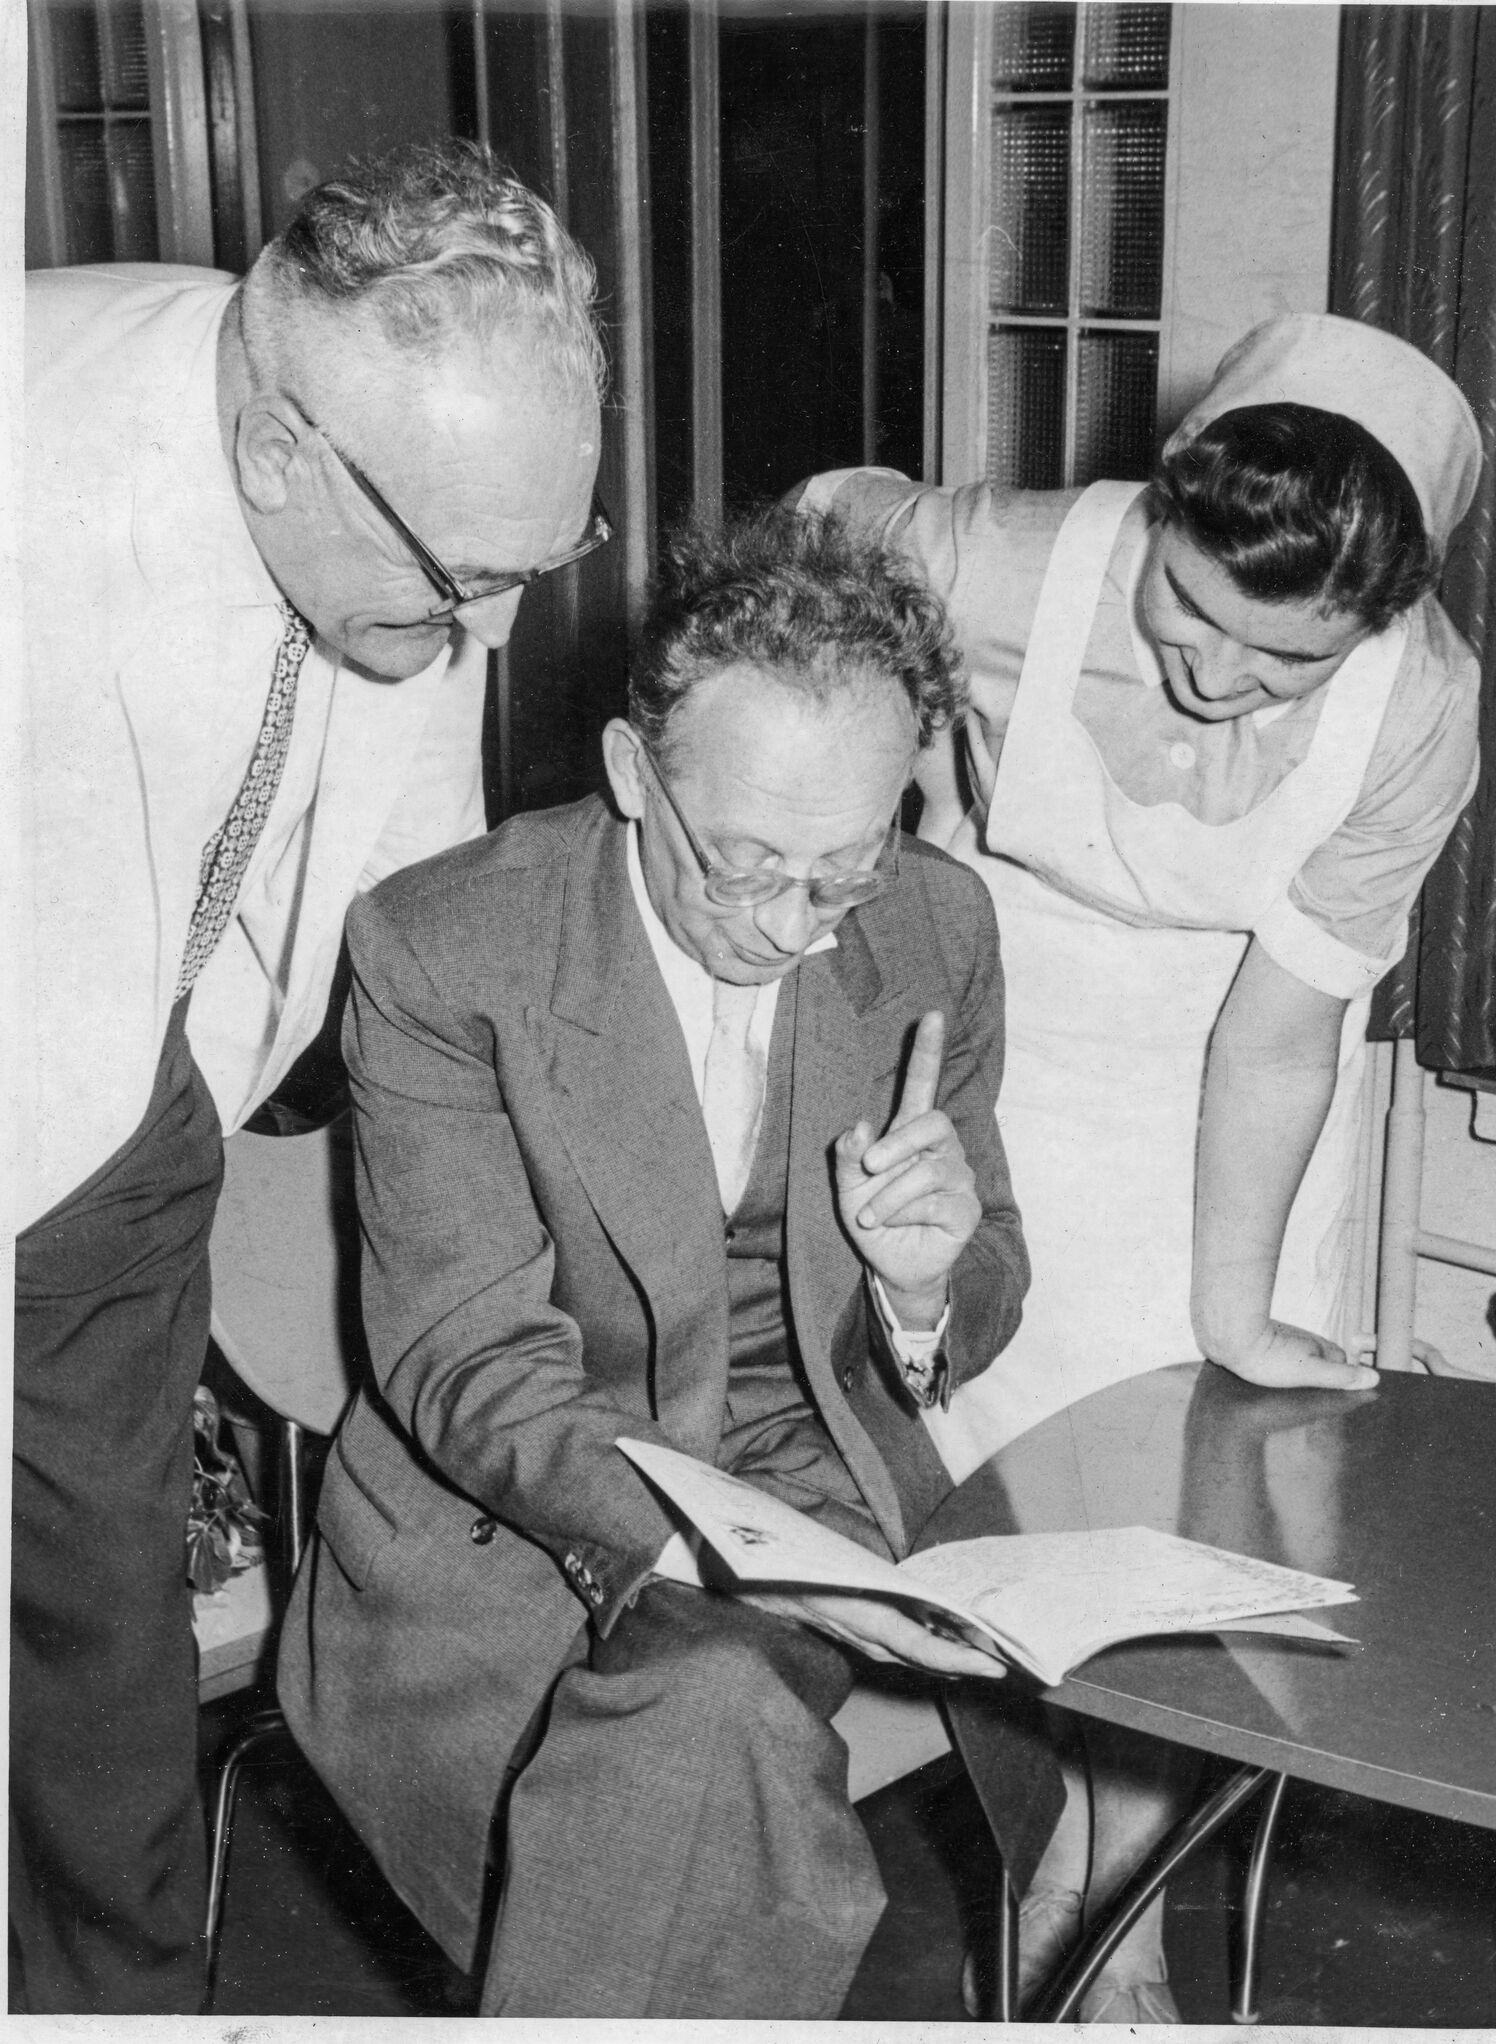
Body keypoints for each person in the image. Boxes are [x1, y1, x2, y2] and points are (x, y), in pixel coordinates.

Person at [798, 313, 1484, 2019]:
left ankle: (1104, 1936)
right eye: (1190, 610)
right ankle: (1067, 1898)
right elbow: (805, 547)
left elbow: (1279, 1035)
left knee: (1187, 1534)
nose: (1216, 678)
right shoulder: (994, 559)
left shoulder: (1422, 709)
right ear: (1162, 511)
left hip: (1230, 1106)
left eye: (1285, 661)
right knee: (998, 1524)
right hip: (985, 1044)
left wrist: (1231, 1313)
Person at [276, 509, 1038, 2019]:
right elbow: (471, 1363)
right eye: (746, 866)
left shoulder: (937, 922)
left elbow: (989, 1261)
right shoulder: (450, 947)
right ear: (634, 774)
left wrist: (920, 1285)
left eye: (849, 864)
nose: (799, 927)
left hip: (815, 1471)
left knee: (701, 1729)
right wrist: (727, 1558)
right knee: (713, 1710)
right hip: (520, 1499)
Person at [13, 141, 605, 2013]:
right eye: (465, 581)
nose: (492, 635)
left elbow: (402, 891)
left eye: (533, 570)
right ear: (277, 453)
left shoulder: (402, 508)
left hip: (122, 1119)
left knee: (92, 1662)